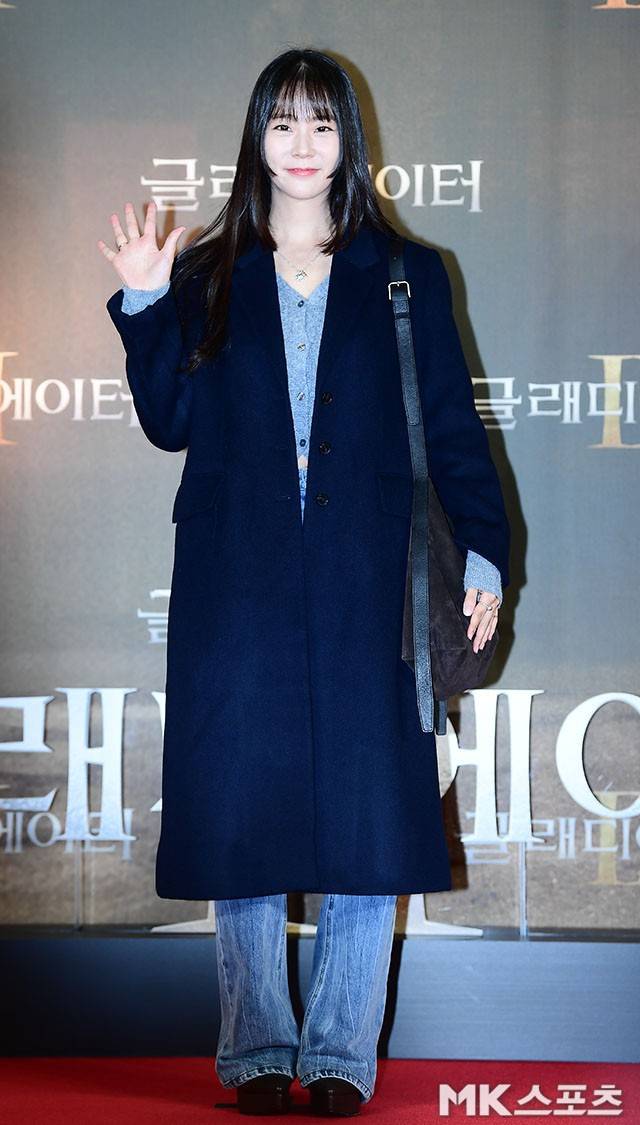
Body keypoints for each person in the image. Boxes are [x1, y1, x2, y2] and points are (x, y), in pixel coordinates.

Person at [99, 48, 509, 1118]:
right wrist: (145, 301)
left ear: (348, 141)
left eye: (321, 123)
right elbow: (170, 423)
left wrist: (484, 549)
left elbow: (452, 431)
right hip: (234, 582)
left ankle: (338, 1052)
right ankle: (253, 1049)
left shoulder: (406, 273)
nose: (301, 143)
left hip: (368, 578)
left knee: (370, 816)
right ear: (256, 137)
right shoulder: (207, 273)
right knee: (237, 809)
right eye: (282, 121)